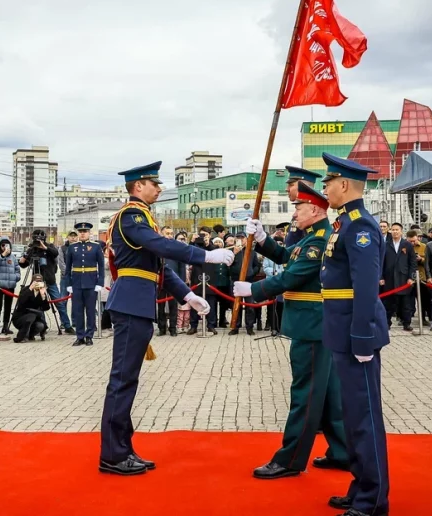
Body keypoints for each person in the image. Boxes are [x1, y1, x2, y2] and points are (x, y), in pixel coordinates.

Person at [99, 161, 230, 476]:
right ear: (138, 186)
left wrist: (188, 295)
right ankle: (113, 455)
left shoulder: (143, 218)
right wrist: (204, 255)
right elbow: (161, 246)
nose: (159, 188)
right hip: (131, 304)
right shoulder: (131, 216)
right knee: (122, 380)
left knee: (128, 379)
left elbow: (159, 268)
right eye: (154, 183)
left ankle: (123, 448)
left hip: (137, 304)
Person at [233, 180, 349, 480]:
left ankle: (290, 459)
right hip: (318, 323)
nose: (294, 212)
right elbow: (288, 256)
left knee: (305, 395)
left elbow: (292, 277)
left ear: (314, 208)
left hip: (312, 325)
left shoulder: (320, 240)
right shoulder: (314, 236)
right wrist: (261, 240)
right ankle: (342, 451)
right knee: (329, 394)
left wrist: (252, 289)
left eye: (298, 207)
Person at [318, 153, 390, 516]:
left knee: (365, 418)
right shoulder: (344, 223)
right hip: (340, 329)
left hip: (355, 334)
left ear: (344, 185)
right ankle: (360, 485)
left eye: (328, 182)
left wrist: (363, 339)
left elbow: (365, 288)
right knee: (352, 415)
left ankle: (373, 500)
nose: (325, 188)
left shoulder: (360, 226)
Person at [19, 230, 71, 334]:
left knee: (58, 302)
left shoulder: (49, 246)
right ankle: (42, 326)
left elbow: (55, 253)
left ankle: (67, 326)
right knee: (39, 304)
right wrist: (22, 261)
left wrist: (45, 248)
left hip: (50, 280)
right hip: (37, 281)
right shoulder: (32, 249)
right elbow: (25, 264)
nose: (39, 242)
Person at [66, 222, 105, 346]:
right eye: (81, 232)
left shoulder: (96, 247)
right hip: (77, 283)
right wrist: (69, 283)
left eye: (85, 232)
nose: (83, 234)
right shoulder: (72, 247)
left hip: (91, 282)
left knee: (90, 311)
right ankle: (80, 336)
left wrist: (100, 282)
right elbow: (68, 268)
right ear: (78, 233)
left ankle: (89, 336)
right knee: (77, 311)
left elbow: (101, 266)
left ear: (89, 233)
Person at [380, 222, 416, 331]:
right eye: (393, 230)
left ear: (401, 231)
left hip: (403, 278)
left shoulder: (407, 245)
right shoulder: (385, 244)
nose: (395, 232)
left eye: (397, 230)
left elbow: (412, 263)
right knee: (388, 304)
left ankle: (406, 323)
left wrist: (411, 277)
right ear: (390, 231)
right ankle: (386, 323)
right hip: (389, 278)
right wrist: (380, 277)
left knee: (405, 304)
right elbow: (380, 263)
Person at [0, 239, 21, 335]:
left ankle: (5, 326)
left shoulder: (13, 257)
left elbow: (17, 269)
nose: (5, 247)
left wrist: (15, 277)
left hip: (10, 285)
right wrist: (2, 255)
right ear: (0, 246)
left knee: (8, 306)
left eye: (7, 245)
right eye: (3, 245)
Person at [11, 275, 51, 342]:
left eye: (40, 281)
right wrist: (30, 289)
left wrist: (43, 296)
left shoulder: (42, 292)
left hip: (34, 318)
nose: (38, 283)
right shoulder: (26, 289)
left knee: (40, 325)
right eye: (36, 281)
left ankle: (30, 335)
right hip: (21, 317)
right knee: (31, 317)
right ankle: (22, 336)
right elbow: (20, 303)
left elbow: (46, 308)